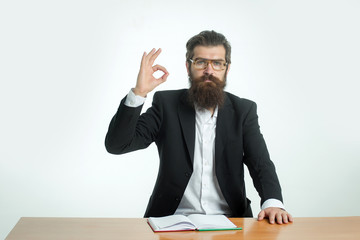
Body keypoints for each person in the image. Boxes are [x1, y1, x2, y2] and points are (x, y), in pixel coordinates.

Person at [105, 30, 293, 224]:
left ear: (226, 69)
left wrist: (273, 202)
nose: (209, 71)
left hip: (231, 221)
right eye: (201, 62)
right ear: (188, 67)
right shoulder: (166, 105)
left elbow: (260, 162)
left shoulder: (244, 110)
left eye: (217, 63)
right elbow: (118, 145)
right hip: (171, 220)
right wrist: (139, 92)